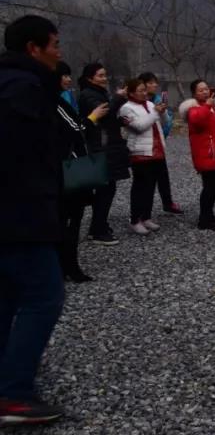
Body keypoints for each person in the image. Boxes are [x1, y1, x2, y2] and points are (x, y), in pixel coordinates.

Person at [0, 14, 67, 424]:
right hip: (21, 213)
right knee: (45, 296)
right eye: (55, 45)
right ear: (33, 48)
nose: (59, 53)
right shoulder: (23, 91)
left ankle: (9, 375)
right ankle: (14, 393)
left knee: (8, 296)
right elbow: (29, 155)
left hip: (13, 212)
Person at [56, 62, 100, 282]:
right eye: (64, 75)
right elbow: (77, 128)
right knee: (69, 218)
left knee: (68, 219)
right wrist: (93, 118)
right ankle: (68, 266)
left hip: (65, 167)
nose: (67, 80)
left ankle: (66, 265)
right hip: (68, 168)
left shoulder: (62, 100)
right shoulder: (55, 103)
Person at [78, 62, 130, 245]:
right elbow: (103, 114)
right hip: (100, 147)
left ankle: (100, 225)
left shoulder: (98, 93)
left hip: (108, 145)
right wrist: (118, 98)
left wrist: (119, 119)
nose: (104, 78)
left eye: (105, 74)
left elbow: (108, 117)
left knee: (108, 188)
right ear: (90, 77)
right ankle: (97, 229)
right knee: (104, 190)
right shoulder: (87, 95)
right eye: (100, 75)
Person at [179, 80, 215, 230]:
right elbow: (197, 121)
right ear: (194, 94)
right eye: (201, 90)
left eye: (206, 89)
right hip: (207, 154)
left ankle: (209, 214)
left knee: (214, 187)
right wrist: (208, 105)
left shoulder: (214, 108)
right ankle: (203, 220)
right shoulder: (194, 109)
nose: (205, 92)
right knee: (209, 187)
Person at [118, 78, 168, 236]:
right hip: (140, 152)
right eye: (140, 90)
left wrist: (163, 111)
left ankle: (146, 216)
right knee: (140, 187)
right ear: (131, 92)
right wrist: (155, 113)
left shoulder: (151, 104)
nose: (144, 93)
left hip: (156, 150)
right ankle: (135, 220)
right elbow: (139, 126)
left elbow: (163, 122)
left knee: (151, 186)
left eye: (145, 90)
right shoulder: (126, 108)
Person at [139, 72, 182, 215]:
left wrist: (163, 134)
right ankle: (142, 212)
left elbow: (167, 121)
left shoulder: (158, 99)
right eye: (150, 83)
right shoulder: (137, 101)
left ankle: (167, 202)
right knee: (145, 180)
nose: (154, 85)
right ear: (142, 84)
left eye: (155, 82)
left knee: (163, 175)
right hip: (143, 145)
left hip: (158, 142)